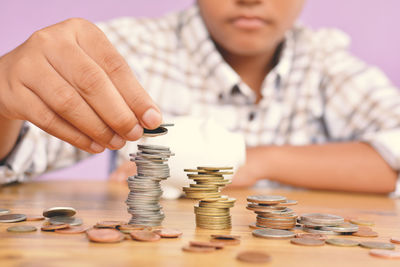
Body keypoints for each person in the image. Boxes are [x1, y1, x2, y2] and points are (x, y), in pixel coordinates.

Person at [0, 0, 399, 195]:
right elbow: (15, 155)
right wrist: (4, 103)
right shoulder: (127, 51)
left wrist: (257, 161)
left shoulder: (325, 61)